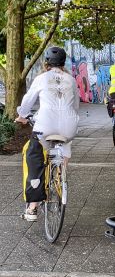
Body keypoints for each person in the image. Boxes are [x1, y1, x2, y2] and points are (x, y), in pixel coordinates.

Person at [15, 46, 79, 221]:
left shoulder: (41, 78)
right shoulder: (71, 80)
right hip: (69, 125)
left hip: (45, 124)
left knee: (33, 153)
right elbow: (75, 106)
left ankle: (33, 207)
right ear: (63, 63)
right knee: (66, 142)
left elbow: (28, 101)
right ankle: (61, 176)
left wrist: (22, 115)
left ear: (46, 63)